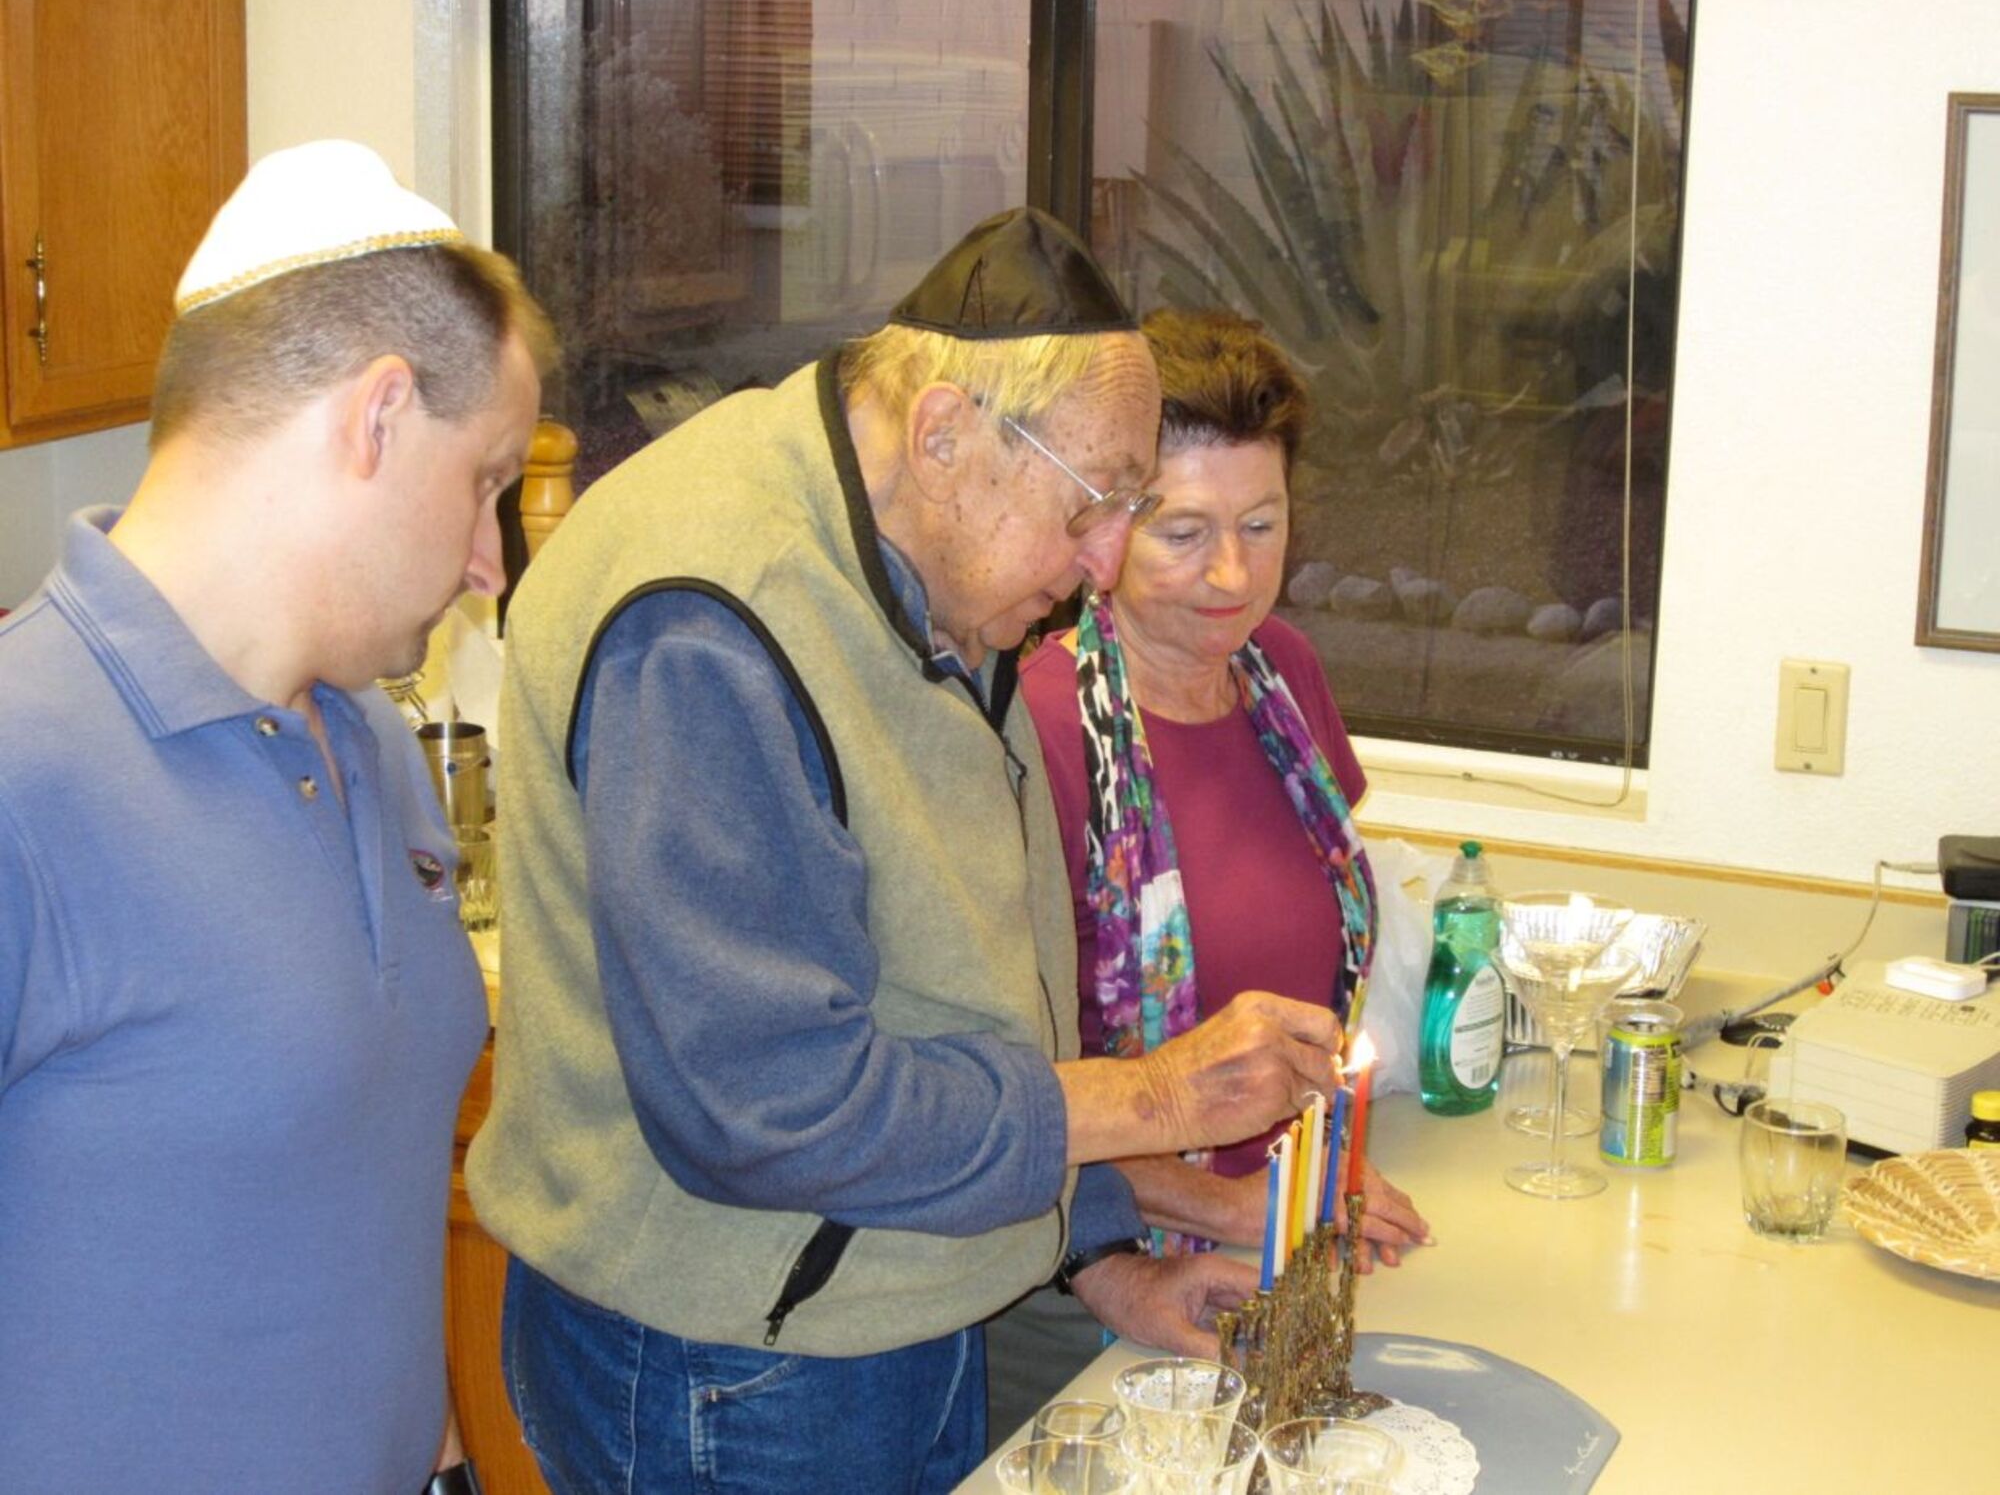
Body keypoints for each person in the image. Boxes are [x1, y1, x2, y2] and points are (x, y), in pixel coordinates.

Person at [467, 209, 1346, 1494]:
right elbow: (771, 1109)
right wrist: (1155, 1099)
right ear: (942, 434)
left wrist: (1099, 1245)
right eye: (1091, 508)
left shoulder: (925, 546)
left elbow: (956, 987)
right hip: (732, 1367)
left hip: (898, 1308)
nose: (1105, 564)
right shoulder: (709, 623)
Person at [0, 140, 554, 1492]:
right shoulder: (26, 770)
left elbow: (341, 1188)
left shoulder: (372, 740)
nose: (492, 560)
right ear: (377, 417)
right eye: (486, 480)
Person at [996, 309, 1432, 1426]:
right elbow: (1000, 1096)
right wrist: (1225, 1204)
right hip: (1094, 1277)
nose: (1233, 573)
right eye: (1184, 531)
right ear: (1104, 526)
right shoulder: (1036, 729)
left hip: (1287, 1241)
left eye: (1261, 523)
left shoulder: (1281, 673)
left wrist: (1302, 1194)